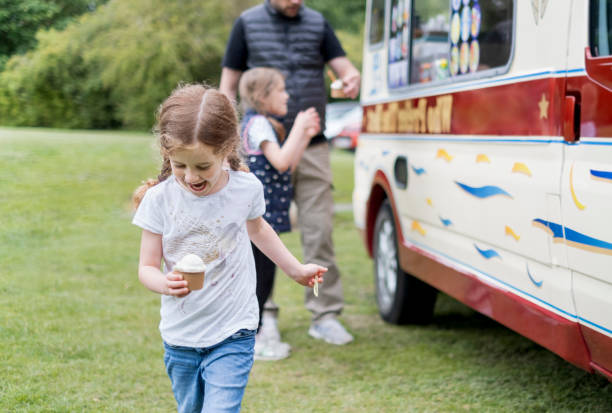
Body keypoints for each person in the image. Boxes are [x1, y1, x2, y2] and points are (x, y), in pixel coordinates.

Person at [132, 83, 326, 413]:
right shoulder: (159, 199)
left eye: (202, 166)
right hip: (182, 336)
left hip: (234, 328)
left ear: (226, 149)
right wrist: (162, 283)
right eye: (179, 165)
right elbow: (146, 267)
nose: (190, 177)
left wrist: (296, 269)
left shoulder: (245, 188)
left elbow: (259, 229)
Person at [220, 0, 361, 346]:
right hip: (261, 151)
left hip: (312, 146)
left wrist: (351, 77)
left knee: (319, 231)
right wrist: (226, 139)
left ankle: (325, 315)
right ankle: (263, 315)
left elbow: (345, 68)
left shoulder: (317, 22)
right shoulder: (247, 23)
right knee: (259, 235)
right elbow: (227, 86)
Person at [238, 67, 321, 360]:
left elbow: (286, 166)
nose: (287, 95)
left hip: (263, 218)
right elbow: (282, 161)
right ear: (262, 96)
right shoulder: (259, 123)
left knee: (264, 276)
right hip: (257, 220)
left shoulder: (261, 124)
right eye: (281, 90)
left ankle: (255, 334)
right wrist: (299, 126)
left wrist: (305, 136)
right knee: (260, 280)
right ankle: (254, 338)